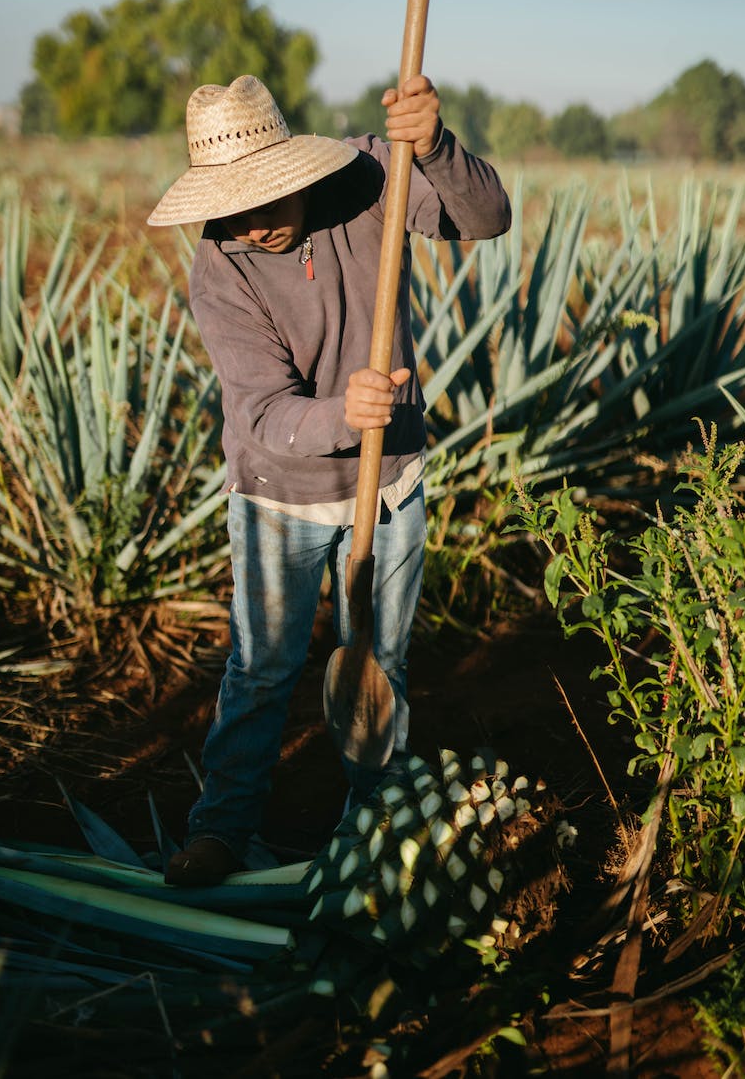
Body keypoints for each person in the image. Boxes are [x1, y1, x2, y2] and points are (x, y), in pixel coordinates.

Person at [148, 73, 511, 886]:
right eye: (230, 204)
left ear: (295, 169)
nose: (249, 221)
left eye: (262, 197)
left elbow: (486, 219)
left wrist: (435, 145)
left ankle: (372, 825)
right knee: (263, 666)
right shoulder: (220, 268)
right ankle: (224, 827)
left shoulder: (367, 178)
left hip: (389, 486)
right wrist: (346, 414)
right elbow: (263, 413)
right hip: (278, 493)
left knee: (380, 661)